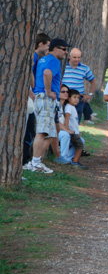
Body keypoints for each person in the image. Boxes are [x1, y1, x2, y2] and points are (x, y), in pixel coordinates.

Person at [28, 38, 71, 173]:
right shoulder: (54, 61)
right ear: (55, 49)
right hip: (46, 98)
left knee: (52, 133)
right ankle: (34, 163)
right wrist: (47, 91)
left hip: (40, 97)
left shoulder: (42, 60)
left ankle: (36, 160)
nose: (66, 52)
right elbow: (47, 73)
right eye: (64, 49)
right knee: (42, 132)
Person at [23, 33, 51, 165]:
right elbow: (29, 72)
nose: (48, 49)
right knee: (29, 129)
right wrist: (31, 88)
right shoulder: (33, 56)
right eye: (47, 45)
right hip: (31, 94)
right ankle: (25, 159)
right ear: (41, 44)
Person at [62, 48, 97, 122]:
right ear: (69, 56)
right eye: (74, 57)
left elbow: (93, 81)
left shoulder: (84, 68)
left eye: (78, 57)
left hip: (78, 99)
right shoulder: (63, 67)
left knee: (75, 121)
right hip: (64, 97)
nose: (77, 59)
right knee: (63, 119)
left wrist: (89, 94)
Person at [64, 89, 87, 169]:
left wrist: (78, 131)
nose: (77, 99)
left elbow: (74, 122)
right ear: (69, 98)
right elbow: (67, 117)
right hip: (72, 132)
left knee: (79, 145)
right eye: (74, 97)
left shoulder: (73, 107)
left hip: (75, 132)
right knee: (80, 146)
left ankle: (74, 160)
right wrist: (67, 128)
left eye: (78, 98)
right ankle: (75, 162)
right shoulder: (69, 107)